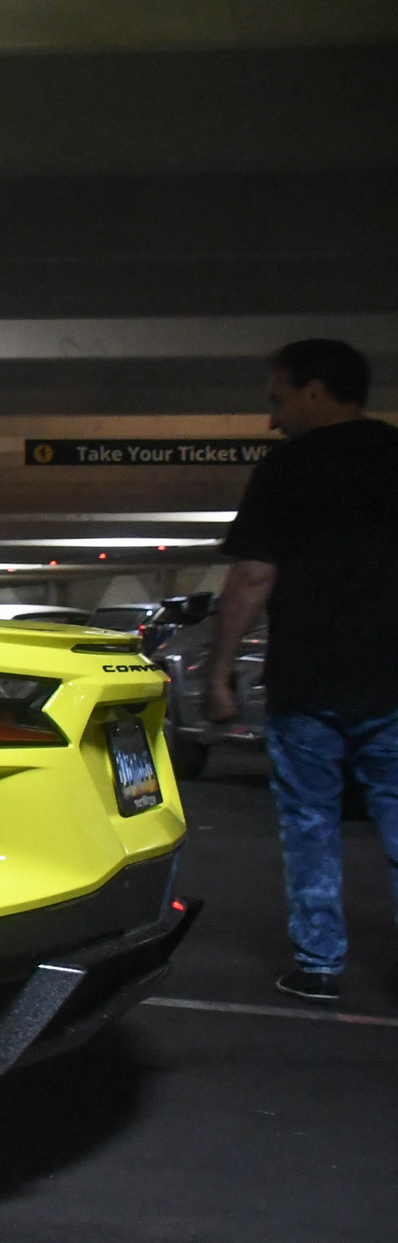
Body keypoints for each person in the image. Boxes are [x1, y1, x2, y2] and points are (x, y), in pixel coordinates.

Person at [207, 339, 398, 1004]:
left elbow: (253, 577)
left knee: (310, 825)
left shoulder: (286, 469)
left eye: (279, 399)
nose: (273, 418)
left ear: (316, 392)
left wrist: (220, 671)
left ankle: (318, 964)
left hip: (308, 680)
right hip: (393, 681)